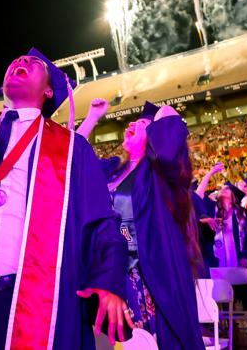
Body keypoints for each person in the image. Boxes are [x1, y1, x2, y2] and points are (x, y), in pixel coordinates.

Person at [83, 100, 205, 348]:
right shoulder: (112, 170)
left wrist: (157, 113)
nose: (132, 124)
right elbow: (74, 158)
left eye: (141, 123)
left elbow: (170, 125)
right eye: (132, 122)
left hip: (152, 276)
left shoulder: (159, 173)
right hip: (115, 277)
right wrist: (93, 117)